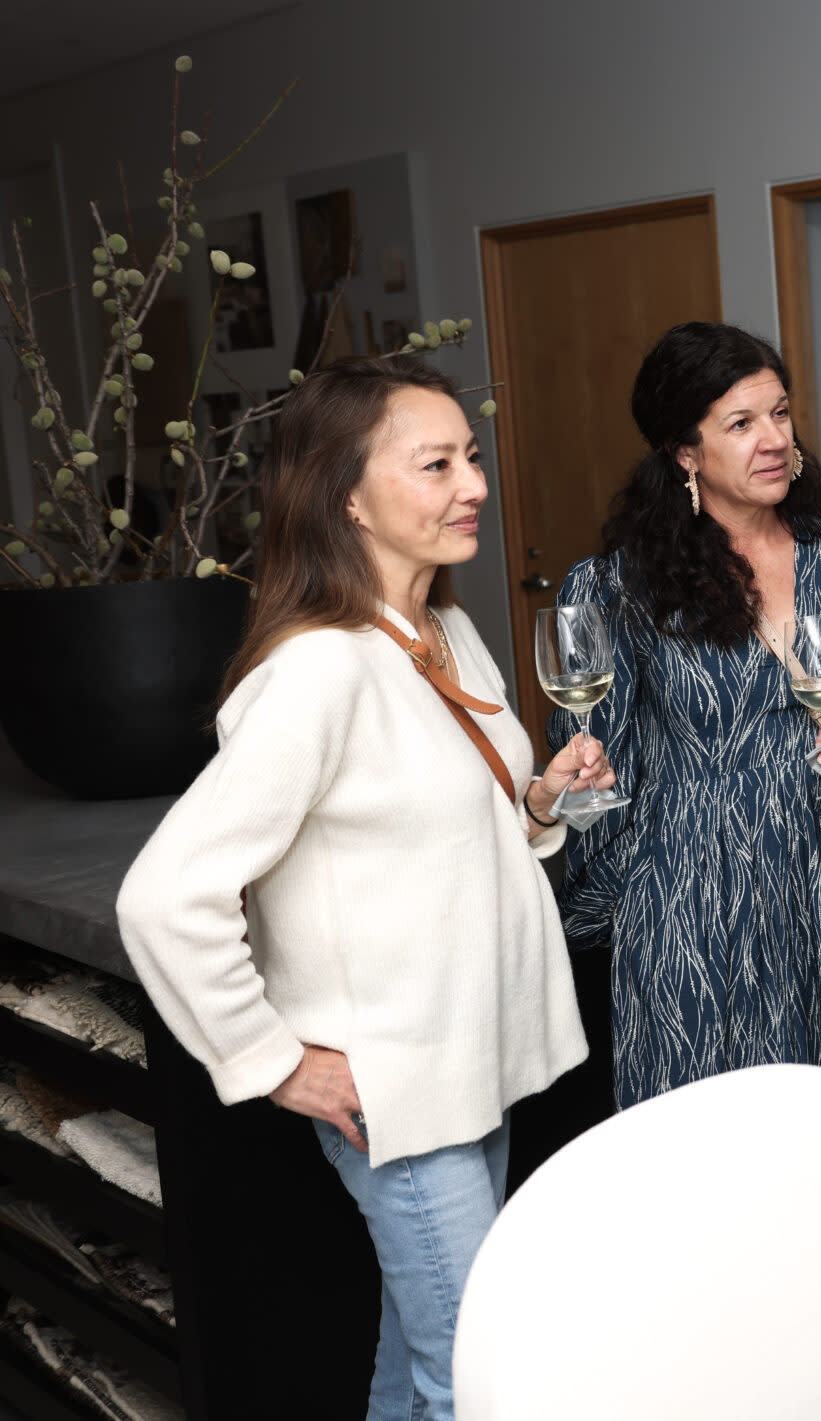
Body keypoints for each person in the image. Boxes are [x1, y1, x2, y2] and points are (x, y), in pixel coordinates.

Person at [117, 356, 616, 1418]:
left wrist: (539, 802)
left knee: (425, 1348)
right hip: (400, 1089)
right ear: (346, 494)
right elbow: (163, 896)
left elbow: (436, 834)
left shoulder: (446, 632)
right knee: (475, 1368)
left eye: (470, 457)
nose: (471, 483)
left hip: (470, 1057)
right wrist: (270, 1057)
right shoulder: (318, 670)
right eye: (433, 463)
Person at [554, 322, 821, 1135]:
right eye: (741, 423)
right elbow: (591, 780)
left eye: (780, 413)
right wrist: (648, 904)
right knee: (722, 1165)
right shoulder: (614, 590)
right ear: (684, 453)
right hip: (697, 914)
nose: (773, 440)